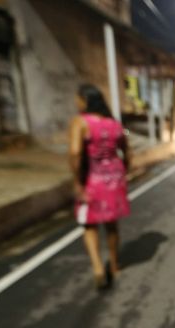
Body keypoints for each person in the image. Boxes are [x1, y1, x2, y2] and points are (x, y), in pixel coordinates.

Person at [69, 84, 131, 289]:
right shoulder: (114, 124)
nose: (76, 103)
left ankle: (97, 267)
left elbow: (76, 153)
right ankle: (114, 265)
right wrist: (124, 172)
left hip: (92, 180)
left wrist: (77, 182)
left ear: (85, 101)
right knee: (112, 225)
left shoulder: (80, 122)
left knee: (89, 224)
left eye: (78, 99)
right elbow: (127, 152)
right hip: (114, 177)